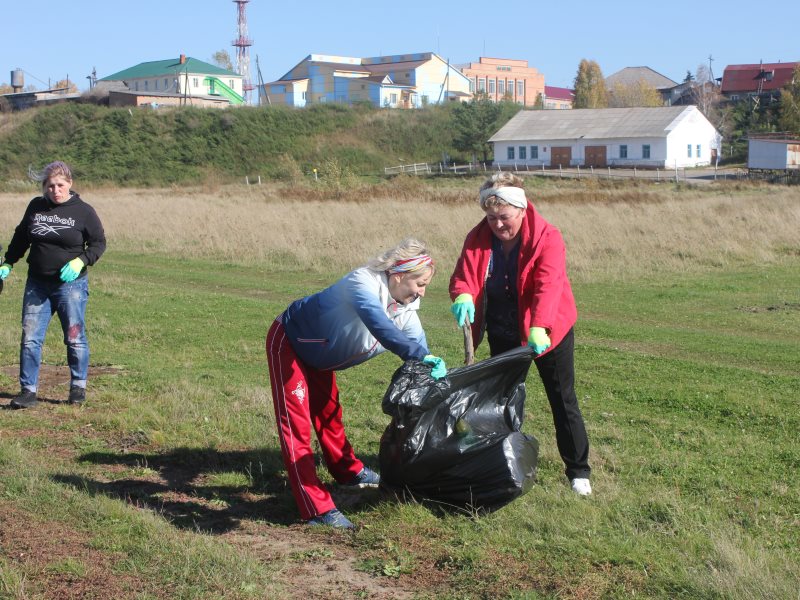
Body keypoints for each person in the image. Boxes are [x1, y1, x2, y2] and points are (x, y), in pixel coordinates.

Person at [266, 238, 447, 528]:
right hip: (290, 343)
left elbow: (420, 350)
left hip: (322, 357)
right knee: (296, 425)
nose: (423, 292)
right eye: (420, 283)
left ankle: (348, 471)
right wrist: (416, 355)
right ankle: (316, 508)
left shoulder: (407, 309)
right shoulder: (361, 282)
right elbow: (379, 325)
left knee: (329, 414)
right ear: (398, 276)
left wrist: (434, 371)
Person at [449, 173, 592, 496]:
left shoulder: (547, 237)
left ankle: (578, 471)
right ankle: (503, 462)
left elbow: (548, 285)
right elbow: (465, 275)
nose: (498, 225)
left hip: (548, 331)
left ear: (522, 209)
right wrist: (462, 295)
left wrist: (540, 326)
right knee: (503, 400)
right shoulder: (478, 237)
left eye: (504, 217)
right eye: (491, 218)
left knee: (562, 399)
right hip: (503, 328)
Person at [0, 161, 106, 409]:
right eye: (50, 186)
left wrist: (81, 261)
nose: (55, 190)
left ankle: (78, 387)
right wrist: (8, 262)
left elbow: (99, 243)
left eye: (60, 185)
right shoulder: (36, 207)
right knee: (30, 338)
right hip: (37, 283)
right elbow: (21, 236)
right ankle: (28, 391)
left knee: (74, 337)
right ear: (44, 187)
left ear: (70, 183)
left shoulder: (84, 211)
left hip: (71, 287)